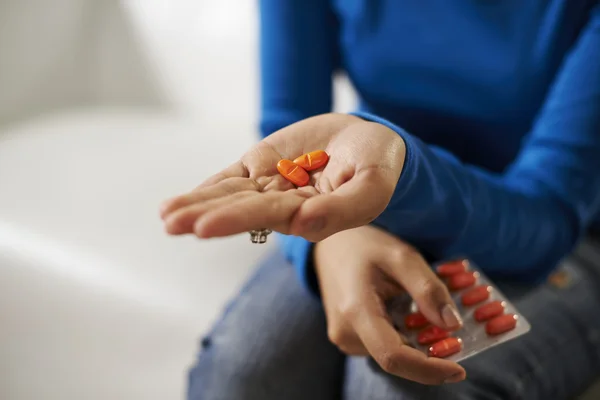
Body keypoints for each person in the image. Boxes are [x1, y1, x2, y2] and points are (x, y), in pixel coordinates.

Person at [161, 1, 600, 399]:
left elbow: (549, 215)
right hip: (366, 199)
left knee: (400, 391)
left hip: (567, 228)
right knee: (241, 375)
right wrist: (328, 237)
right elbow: (288, 131)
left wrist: (397, 176)